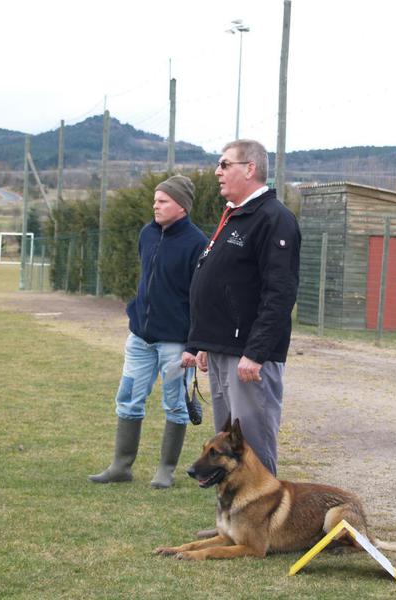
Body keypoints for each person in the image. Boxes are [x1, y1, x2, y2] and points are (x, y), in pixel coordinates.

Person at [181, 139, 301, 476]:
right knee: (227, 448)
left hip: (247, 357)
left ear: (250, 169)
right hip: (223, 350)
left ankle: (260, 513)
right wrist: (205, 342)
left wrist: (256, 352)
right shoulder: (235, 217)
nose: (217, 172)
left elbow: (280, 292)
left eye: (224, 164)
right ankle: (233, 512)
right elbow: (224, 283)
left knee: (251, 450)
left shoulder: (273, 219)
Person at [89, 175, 207, 489]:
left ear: (181, 206)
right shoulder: (147, 233)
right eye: (155, 200)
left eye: (163, 201)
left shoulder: (198, 243)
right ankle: (121, 466)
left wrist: (193, 346)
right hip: (140, 338)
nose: (156, 205)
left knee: (176, 405)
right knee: (128, 399)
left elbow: (202, 299)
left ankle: (165, 470)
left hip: (176, 342)